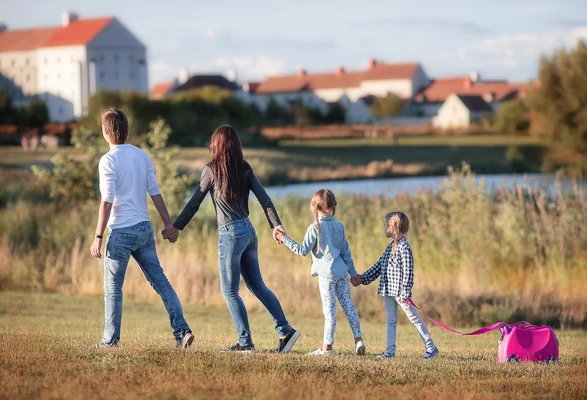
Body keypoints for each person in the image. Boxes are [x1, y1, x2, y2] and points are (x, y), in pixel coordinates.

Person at [162, 125, 301, 354]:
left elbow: (194, 203)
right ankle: (285, 331)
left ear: (216, 145)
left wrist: (175, 227)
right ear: (236, 145)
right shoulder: (244, 168)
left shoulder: (211, 170)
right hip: (249, 231)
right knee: (258, 286)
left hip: (230, 234)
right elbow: (265, 199)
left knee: (230, 292)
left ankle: (245, 343)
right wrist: (276, 225)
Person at [90, 108, 193, 349]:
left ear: (106, 131)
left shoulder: (108, 160)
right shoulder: (141, 156)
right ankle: (182, 331)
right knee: (161, 283)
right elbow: (155, 193)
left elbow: (106, 201)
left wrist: (98, 236)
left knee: (113, 289)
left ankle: (110, 341)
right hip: (144, 230)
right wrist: (168, 224)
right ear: (126, 130)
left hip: (121, 234)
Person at [274, 189, 366, 356]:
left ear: (315, 207)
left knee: (330, 313)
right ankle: (358, 340)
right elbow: (346, 254)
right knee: (349, 307)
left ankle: (327, 349)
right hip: (342, 274)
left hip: (326, 277)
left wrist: (284, 239)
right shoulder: (340, 227)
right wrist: (354, 274)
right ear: (333, 205)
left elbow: (302, 250)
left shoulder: (314, 228)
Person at [351, 211, 439, 360]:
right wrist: (363, 278)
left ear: (393, 227)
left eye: (386, 225)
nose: (384, 228)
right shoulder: (389, 248)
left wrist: (405, 293)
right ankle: (390, 351)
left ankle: (431, 347)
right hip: (388, 290)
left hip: (400, 293)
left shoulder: (404, 247)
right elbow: (378, 267)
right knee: (391, 321)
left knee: (414, 319)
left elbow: (409, 270)